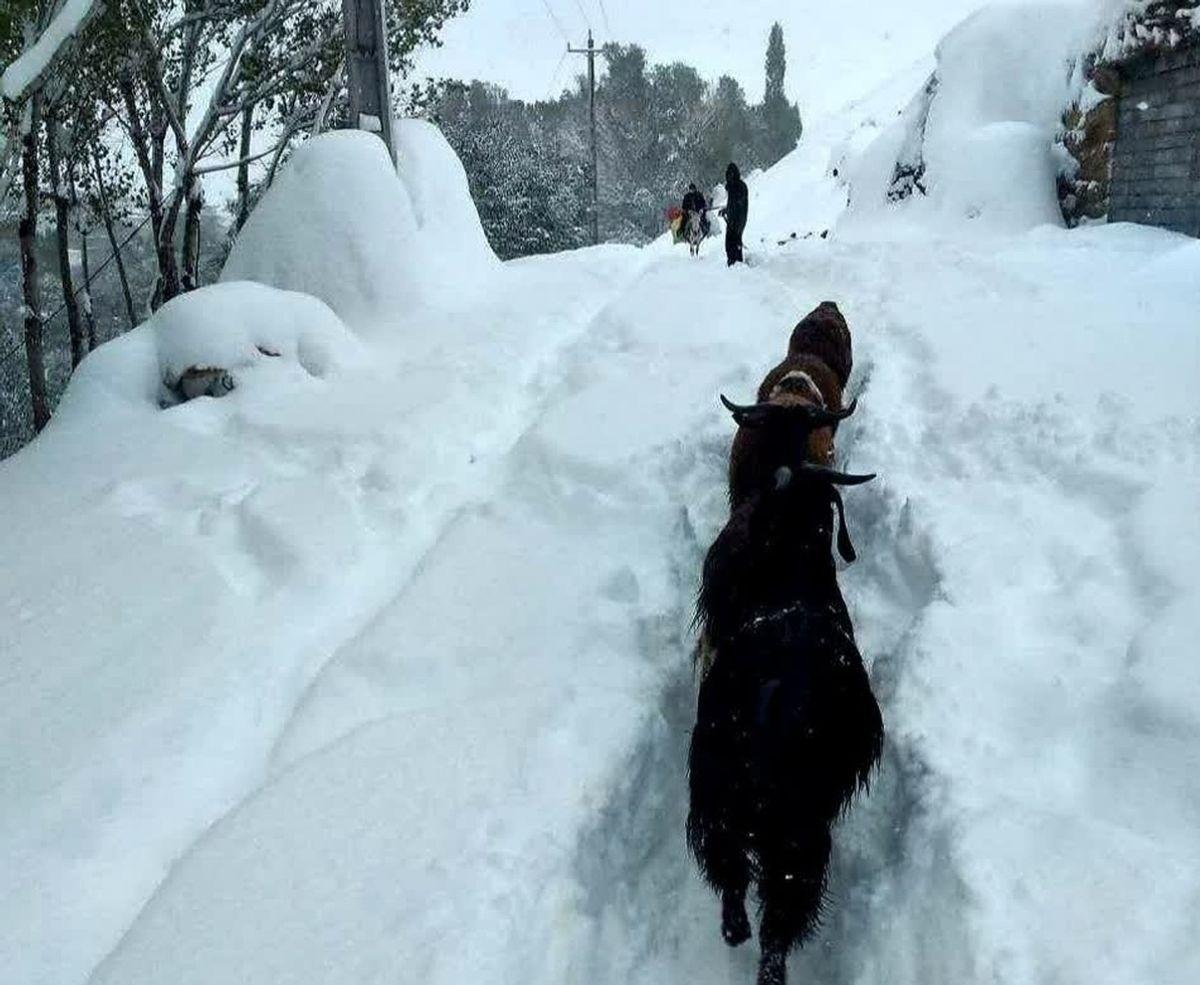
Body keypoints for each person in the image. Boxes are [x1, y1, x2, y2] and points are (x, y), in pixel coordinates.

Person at [719, 162, 748, 266]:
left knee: (736, 241)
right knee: (728, 243)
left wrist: (731, 209)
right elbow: (731, 204)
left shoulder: (741, 186)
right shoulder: (731, 188)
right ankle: (731, 263)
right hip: (731, 220)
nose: (729, 177)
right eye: (728, 175)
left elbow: (739, 204)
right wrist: (725, 210)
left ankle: (738, 264)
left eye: (731, 175)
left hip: (739, 220)